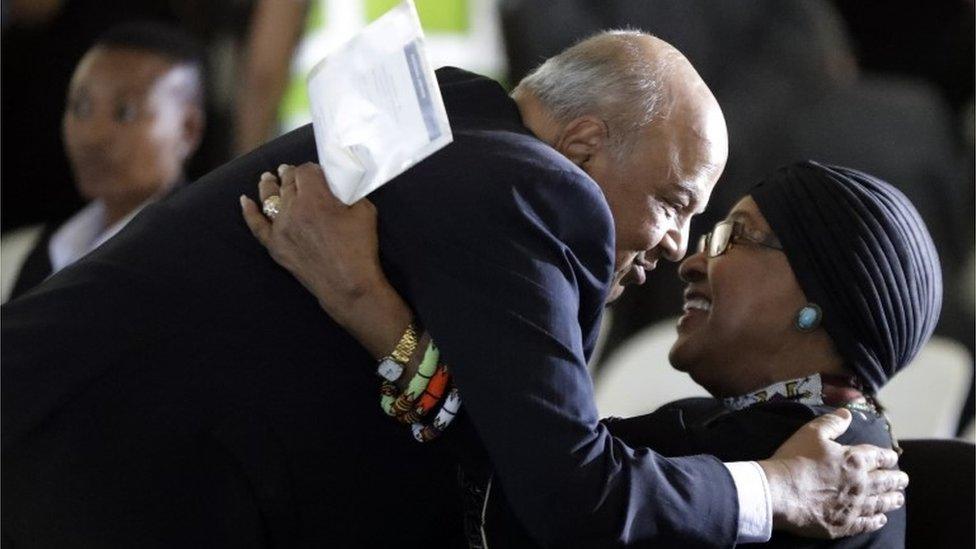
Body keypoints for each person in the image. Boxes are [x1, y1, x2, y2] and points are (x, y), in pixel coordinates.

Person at [2, 32, 904, 547]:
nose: (677, 248)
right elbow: (571, 493)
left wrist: (374, 313)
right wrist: (779, 492)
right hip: (98, 480)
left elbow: (509, 452)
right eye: (676, 204)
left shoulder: (453, 114)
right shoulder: (537, 192)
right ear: (585, 147)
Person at [246, 160, 934, 547]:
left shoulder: (841, 476)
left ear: (820, 294)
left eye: (732, 237)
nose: (691, 261)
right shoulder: (748, 431)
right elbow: (541, 466)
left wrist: (369, 301)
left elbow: (560, 510)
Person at [7, 21, 206, 300]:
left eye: (124, 112)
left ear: (187, 129)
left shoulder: (195, 259)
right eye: (81, 107)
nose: (93, 136)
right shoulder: (49, 250)